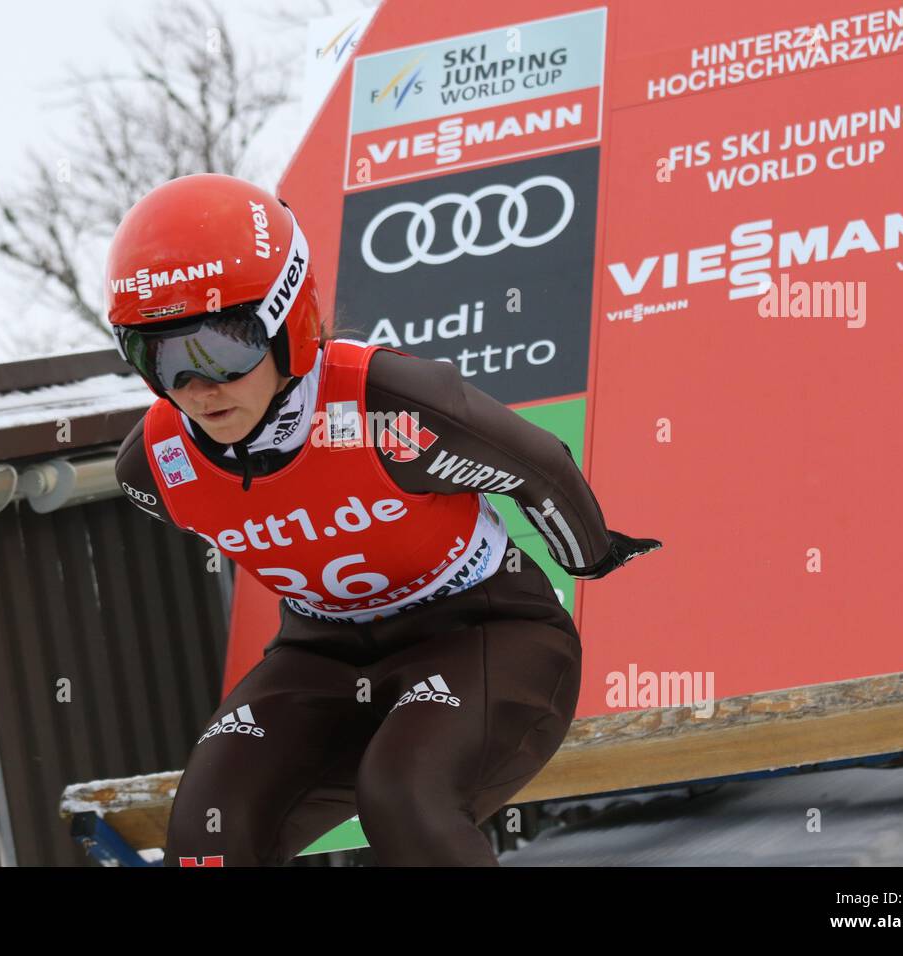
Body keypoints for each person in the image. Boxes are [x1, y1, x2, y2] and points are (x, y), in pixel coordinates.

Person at [109, 172, 661, 866]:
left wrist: (589, 556)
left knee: (405, 799)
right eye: (160, 357)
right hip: (323, 654)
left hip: (480, 631)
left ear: (290, 321)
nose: (199, 386)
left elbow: (541, 467)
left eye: (224, 347)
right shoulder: (154, 469)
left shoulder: (385, 405)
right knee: (205, 834)